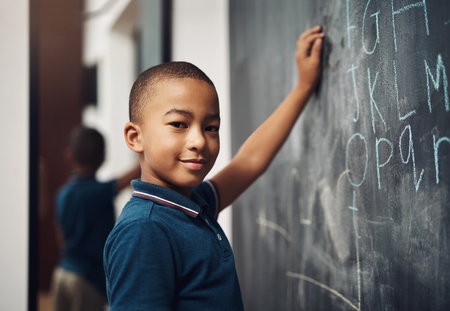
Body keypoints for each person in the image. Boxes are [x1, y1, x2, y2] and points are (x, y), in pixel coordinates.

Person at [103, 26, 325, 310]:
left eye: (211, 128)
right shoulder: (145, 230)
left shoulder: (194, 204)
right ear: (136, 138)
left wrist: (303, 88)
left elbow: (250, 161)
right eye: (179, 124)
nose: (199, 141)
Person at [52, 126, 140, 311]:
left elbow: (60, 237)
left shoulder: (62, 195)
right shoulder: (98, 193)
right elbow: (127, 179)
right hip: (86, 280)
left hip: (62, 273)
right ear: (103, 158)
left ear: (69, 156)